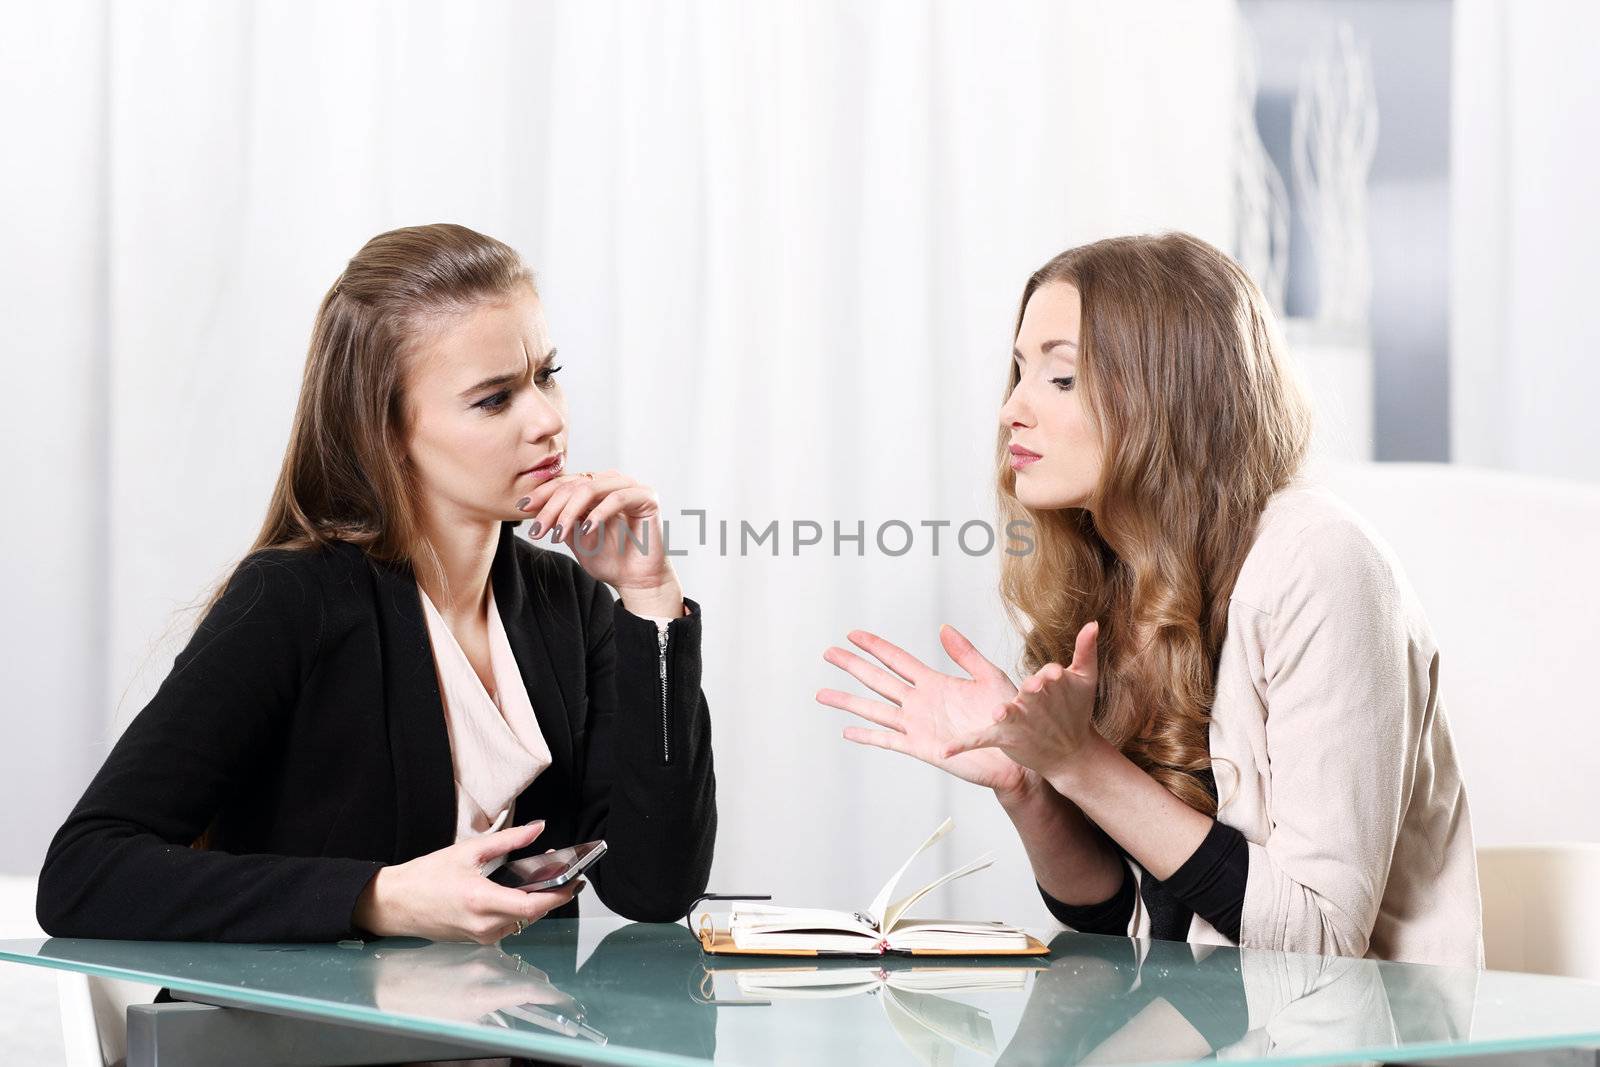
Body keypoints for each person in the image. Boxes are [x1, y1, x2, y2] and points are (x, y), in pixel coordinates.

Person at [37, 223, 716, 946]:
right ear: (384, 429)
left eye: (546, 374)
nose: (548, 420)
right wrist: (374, 896)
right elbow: (83, 871)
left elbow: (655, 886)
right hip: (324, 1046)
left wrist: (648, 597)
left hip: (514, 1040)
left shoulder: (567, 603)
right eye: (494, 399)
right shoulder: (294, 598)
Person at [817, 232, 1482, 967]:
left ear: (1169, 393)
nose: (1012, 409)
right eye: (1017, 372)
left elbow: (1319, 942)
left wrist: (1080, 762)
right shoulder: (1113, 573)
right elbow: (1131, 928)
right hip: (1202, 1029)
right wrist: (1030, 782)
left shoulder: (1320, 560)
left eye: (1060, 378)